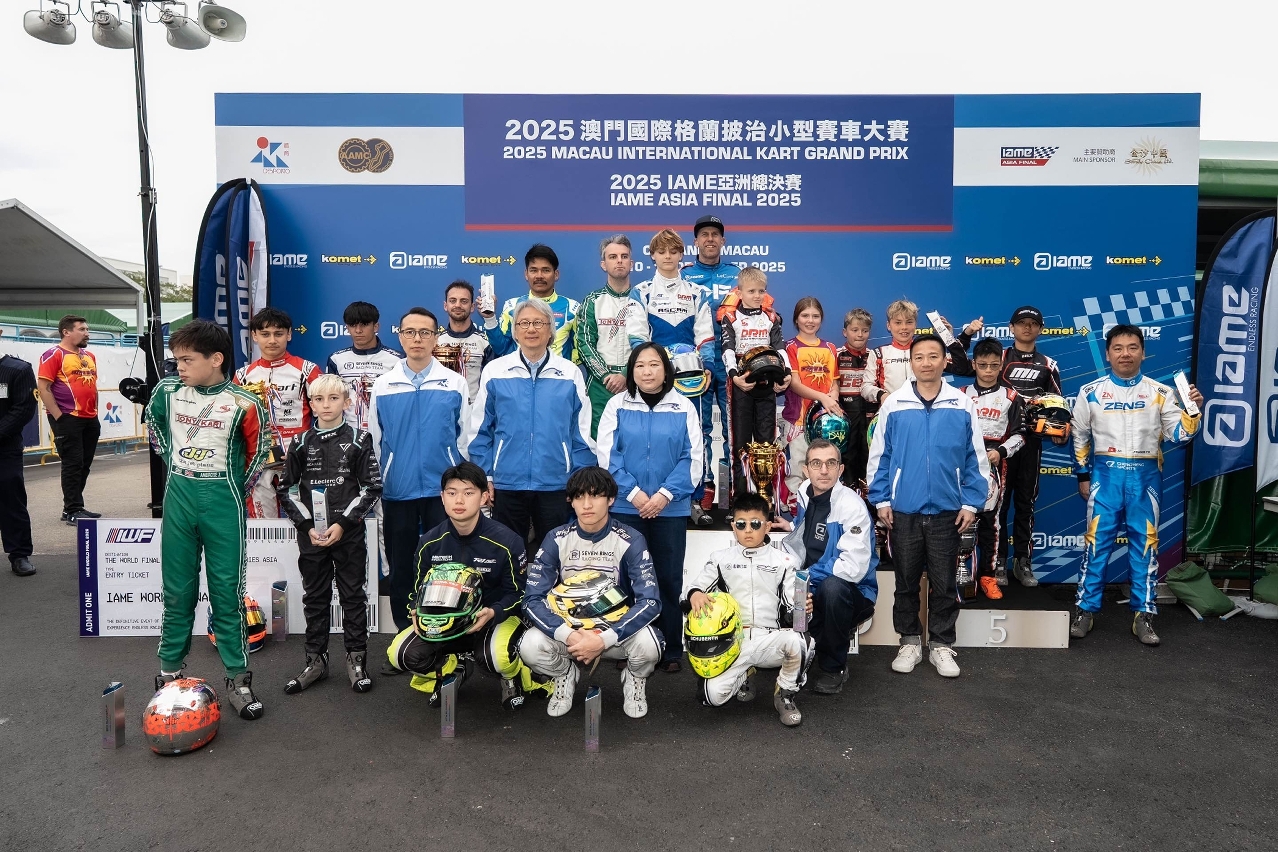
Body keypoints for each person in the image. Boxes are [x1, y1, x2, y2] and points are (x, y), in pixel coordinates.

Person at [145, 320, 272, 720]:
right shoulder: (167, 392)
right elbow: (155, 428)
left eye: (187, 360)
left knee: (227, 595)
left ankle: (238, 678)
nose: (179, 367)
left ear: (216, 359)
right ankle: (169, 674)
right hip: (179, 498)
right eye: (176, 359)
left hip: (223, 502)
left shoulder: (245, 402)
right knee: (177, 592)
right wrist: (178, 464)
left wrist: (232, 487)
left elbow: (259, 453)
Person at [1070, 324, 1201, 646]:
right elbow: (1079, 435)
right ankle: (1085, 610)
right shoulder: (1090, 391)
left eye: (1132, 348)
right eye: (1118, 348)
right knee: (1096, 544)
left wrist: (1193, 411)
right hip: (1106, 478)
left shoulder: (1161, 392)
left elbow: (1180, 435)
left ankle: (1144, 614)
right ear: (1108, 354)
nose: (1125, 354)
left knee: (1145, 546)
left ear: (1143, 352)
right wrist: (1083, 475)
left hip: (1145, 479)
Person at [867, 335, 989, 679]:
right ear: (911, 362)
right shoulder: (895, 403)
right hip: (904, 511)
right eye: (919, 357)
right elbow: (880, 456)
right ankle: (909, 642)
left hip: (948, 512)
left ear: (945, 361)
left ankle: (941, 645)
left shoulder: (961, 404)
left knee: (945, 583)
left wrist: (971, 503)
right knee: (905, 582)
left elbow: (975, 458)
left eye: (933, 356)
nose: (926, 363)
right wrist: (882, 499)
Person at [385, 461, 550, 709]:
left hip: (491, 619)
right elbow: (418, 590)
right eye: (452, 493)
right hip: (443, 623)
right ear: (442, 497)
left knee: (496, 658)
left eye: (468, 493)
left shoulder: (508, 541)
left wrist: (494, 612)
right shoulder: (429, 542)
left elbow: (519, 593)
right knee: (399, 654)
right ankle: (452, 668)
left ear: (484, 497)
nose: (459, 500)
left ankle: (513, 676)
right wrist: (416, 612)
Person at [520, 466, 663, 719]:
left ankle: (634, 677)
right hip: (571, 632)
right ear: (571, 501)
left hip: (615, 632)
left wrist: (604, 639)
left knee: (651, 644)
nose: (586, 504)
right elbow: (532, 600)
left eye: (595, 496)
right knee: (530, 645)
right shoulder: (556, 538)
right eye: (579, 497)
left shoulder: (631, 539)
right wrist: (569, 635)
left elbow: (651, 601)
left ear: (611, 499)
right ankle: (564, 674)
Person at [596, 343, 701, 673]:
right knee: (628, 579)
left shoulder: (684, 406)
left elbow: (693, 458)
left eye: (654, 364)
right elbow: (607, 455)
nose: (647, 371)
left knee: (668, 579)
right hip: (627, 508)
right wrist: (635, 494)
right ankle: (628, 645)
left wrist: (664, 496)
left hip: (670, 509)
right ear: (631, 371)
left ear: (666, 370)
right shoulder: (616, 405)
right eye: (640, 365)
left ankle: (670, 649)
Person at [275, 373, 383, 695]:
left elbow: (372, 488)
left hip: (347, 534)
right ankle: (315, 661)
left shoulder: (360, 439)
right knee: (315, 597)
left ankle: (356, 659)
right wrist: (307, 527)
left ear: (346, 403)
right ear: (310, 404)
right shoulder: (299, 442)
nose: (326, 405)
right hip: (312, 537)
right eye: (319, 399)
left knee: (353, 596)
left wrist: (343, 524)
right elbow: (286, 490)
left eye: (334, 398)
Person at [368, 307, 470, 640]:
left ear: (435, 337)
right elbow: (376, 439)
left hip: (445, 490)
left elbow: (464, 437)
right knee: (401, 564)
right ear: (400, 336)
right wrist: (384, 477)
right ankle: (405, 633)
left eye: (425, 332)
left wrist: (460, 484)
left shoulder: (454, 382)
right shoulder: (384, 385)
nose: (417, 339)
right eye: (410, 332)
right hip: (399, 488)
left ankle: (447, 629)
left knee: (446, 563)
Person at [468, 299, 596, 550]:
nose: (531, 329)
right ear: (515, 331)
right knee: (507, 556)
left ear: (550, 331)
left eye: (539, 323)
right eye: (524, 323)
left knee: (554, 556)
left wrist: (578, 479)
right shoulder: (495, 371)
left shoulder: (570, 373)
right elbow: (479, 431)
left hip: (557, 484)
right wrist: (485, 476)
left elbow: (581, 433)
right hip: (506, 483)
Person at [684, 492, 812, 726]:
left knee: (801, 642)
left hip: (769, 638)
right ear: (733, 526)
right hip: (731, 642)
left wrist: (803, 609)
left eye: (755, 524)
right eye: (741, 524)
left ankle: (784, 693)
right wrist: (695, 594)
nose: (748, 530)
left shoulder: (785, 561)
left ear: (768, 526)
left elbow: (794, 609)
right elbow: (691, 589)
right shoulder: (720, 558)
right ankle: (744, 673)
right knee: (711, 698)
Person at [964, 306, 1065, 588]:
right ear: (1011, 327)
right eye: (1022, 323)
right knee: (998, 504)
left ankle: (1023, 561)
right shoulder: (998, 357)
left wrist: (1059, 429)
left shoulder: (1049, 364)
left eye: (1033, 323)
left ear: (1041, 329)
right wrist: (965, 334)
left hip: (1029, 443)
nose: (1027, 328)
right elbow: (959, 365)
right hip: (998, 445)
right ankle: (998, 562)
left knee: (1025, 503)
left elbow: (1058, 407)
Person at [781, 439, 878, 694]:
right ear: (806, 470)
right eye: (816, 463)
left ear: (840, 469)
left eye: (831, 463)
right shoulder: (805, 491)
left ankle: (834, 668)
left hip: (852, 591)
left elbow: (852, 567)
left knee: (831, 589)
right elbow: (810, 531)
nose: (823, 470)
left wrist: (805, 578)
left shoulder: (852, 507)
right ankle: (806, 648)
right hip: (811, 585)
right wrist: (791, 527)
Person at [636, 227, 716, 518]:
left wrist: (706, 367)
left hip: (690, 374)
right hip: (654, 374)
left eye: (673, 251)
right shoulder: (641, 291)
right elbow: (637, 337)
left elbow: (705, 336)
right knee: (653, 433)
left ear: (682, 255)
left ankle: (695, 498)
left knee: (697, 433)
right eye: (661, 251)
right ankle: (653, 493)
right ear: (653, 256)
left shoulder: (697, 292)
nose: (667, 256)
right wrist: (652, 367)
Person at [235, 307, 323, 519]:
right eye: (265, 334)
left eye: (278, 333)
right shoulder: (243, 375)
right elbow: (235, 421)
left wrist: (307, 449)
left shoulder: (307, 370)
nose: (272, 340)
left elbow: (326, 414)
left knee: (306, 522)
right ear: (254, 336)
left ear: (289, 334)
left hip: (298, 458)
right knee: (263, 526)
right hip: (259, 461)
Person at [959, 338, 1027, 599]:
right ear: (974, 364)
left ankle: (987, 576)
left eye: (994, 365)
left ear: (1001, 366)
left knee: (990, 522)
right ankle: (954, 575)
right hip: (961, 465)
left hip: (994, 464)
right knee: (954, 519)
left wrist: (1000, 452)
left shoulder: (1011, 397)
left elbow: (1020, 435)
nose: (988, 371)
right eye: (983, 365)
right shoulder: (960, 394)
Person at [681, 215, 738, 513]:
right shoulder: (684, 275)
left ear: (723, 241)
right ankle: (703, 489)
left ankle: (732, 490)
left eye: (715, 234)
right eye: (704, 234)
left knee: (732, 427)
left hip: (730, 362)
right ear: (696, 242)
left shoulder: (737, 274)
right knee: (699, 427)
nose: (710, 239)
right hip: (697, 362)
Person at [721, 266, 790, 495]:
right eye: (751, 291)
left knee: (766, 444)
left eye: (761, 291)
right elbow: (727, 350)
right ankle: (740, 498)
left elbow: (780, 348)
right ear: (739, 292)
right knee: (739, 444)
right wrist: (735, 377)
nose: (757, 296)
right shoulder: (731, 317)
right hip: (741, 384)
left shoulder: (771, 317)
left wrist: (787, 373)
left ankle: (764, 497)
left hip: (767, 385)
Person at [576, 235, 651, 437]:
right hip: (601, 383)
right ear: (603, 264)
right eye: (613, 257)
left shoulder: (645, 300)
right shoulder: (592, 301)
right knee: (598, 441)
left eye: (624, 256)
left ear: (631, 263)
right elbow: (584, 343)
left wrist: (626, 375)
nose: (619, 261)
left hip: (637, 380)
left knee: (637, 439)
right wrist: (606, 376)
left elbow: (648, 343)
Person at [37, 314, 101, 524]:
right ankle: (73, 509)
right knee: (72, 464)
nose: (87, 333)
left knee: (84, 464)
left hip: (90, 417)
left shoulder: (89, 356)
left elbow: (93, 387)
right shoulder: (53, 354)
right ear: (66, 332)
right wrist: (59, 416)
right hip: (67, 417)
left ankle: (73, 506)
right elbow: (44, 388)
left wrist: (95, 412)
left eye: (87, 329)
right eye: (82, 329)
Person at [861, 299, 978, 408]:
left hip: (926, 411)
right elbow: (866, 387)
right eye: (898, 323)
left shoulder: (929, 350)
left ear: (915, 324)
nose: (904, 327)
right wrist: (881, 395)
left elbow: (961, 367)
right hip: (892, 411)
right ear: (888, 325)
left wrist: (948, 338)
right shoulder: (879, 353)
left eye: (909, 322)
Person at [781, 297, 841, 507]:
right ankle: (796, 512)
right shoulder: (789, 347)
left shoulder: (830, 348)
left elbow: (834, 382)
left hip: (825, 423)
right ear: (796, 319)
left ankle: (823, 511)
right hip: (798, 421)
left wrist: (833, 396)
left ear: (821, 319)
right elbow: (794, 384)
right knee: (797, 468)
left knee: (824, 467)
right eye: (805, 315)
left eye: (815, 316)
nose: (810, 320)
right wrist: (822, 397)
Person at [482, 244, 580, 361]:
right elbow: (500, 348)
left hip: (558, 372)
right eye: (533, 270)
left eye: (546, 270)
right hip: (519, 372)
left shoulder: (572, 308)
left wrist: (564, 366)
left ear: (556, 274)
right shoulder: (512, 306)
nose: (539, 276)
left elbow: (581, 350)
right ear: (526, 274)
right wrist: (490, 318)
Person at [326, 300, 403, 431]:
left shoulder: (397, 360)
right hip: (348, 434)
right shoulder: (336, 359)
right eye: (353, 325)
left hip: (386, 432)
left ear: (376, 326)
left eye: (364, 325)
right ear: (347, 328)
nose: (358, 330)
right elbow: (330, 400)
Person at [0, 351, 37, 575]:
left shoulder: (18, 369)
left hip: (5, 449)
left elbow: (24, 409)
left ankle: (19, 555)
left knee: (11, 502)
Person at [436, 280, 494, 405]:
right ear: (445, 306)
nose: (458, 305)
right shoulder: (435, 342)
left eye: (464, 301)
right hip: (443, 409)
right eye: (453, 301)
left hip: (475, 410)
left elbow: (492, 381)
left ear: (472, 307)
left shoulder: (485, 342)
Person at [836, 308, 874, 488]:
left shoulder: (875, 356)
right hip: (846, 417)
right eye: (855, 330)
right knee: (847, 458)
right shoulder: (836, 355)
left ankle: (869, 497)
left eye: (865, 330)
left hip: (870, 417)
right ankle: (848, 492)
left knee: (870, 457)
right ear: (845, 332)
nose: (860, 335)